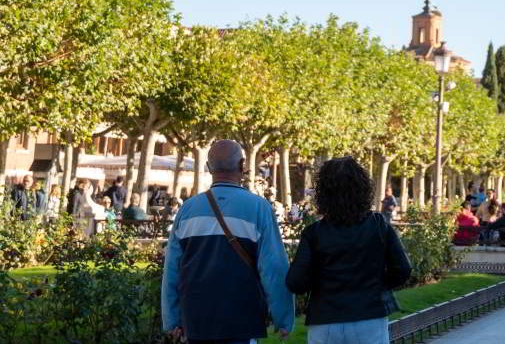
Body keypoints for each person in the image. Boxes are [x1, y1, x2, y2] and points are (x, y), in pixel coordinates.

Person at [161, 139, 293, 342]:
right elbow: (273, 267)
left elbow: (172, 269)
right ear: (242, 165)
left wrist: (172, 319)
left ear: (208, 168)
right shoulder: (259, 208)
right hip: (241, 316)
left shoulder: (187, 210)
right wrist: (283, 317)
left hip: (196, 319)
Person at [286, 156, 412, 344]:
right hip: (369, 317)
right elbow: (403, 269)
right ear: (363, 190)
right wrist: (376, 284)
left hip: (326, 319)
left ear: (323, 194)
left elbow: (295, 282)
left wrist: (321, 282)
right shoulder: (378, 225)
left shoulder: (314, 234)